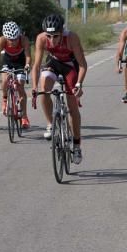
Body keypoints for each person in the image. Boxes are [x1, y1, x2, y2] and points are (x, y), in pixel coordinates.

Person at [32, 13, 87, 165]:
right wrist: (35, 87)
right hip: (54, 63)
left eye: (55, 36)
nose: (51, 40)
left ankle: (76, 146)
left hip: (71, 66)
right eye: (48, 36)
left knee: (72, 106)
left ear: (62, 32)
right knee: (44, 89)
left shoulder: (72, 38)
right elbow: (36, 66)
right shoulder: (41, 39)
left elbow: (83, 65)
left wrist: (79, 84)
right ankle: (50, 123)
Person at [0, 21, 32, 129]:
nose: (13, 42)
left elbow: (28, 56)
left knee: (20, 86)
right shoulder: (1, 40)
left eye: (15, 39)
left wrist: (27, 65)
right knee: (4, 80)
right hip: (7, 61)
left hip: (20, 61)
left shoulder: (24, 40)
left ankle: (24, 116)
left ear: (19, 35)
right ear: (5, 37)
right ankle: (5, 98)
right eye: (10, 39)